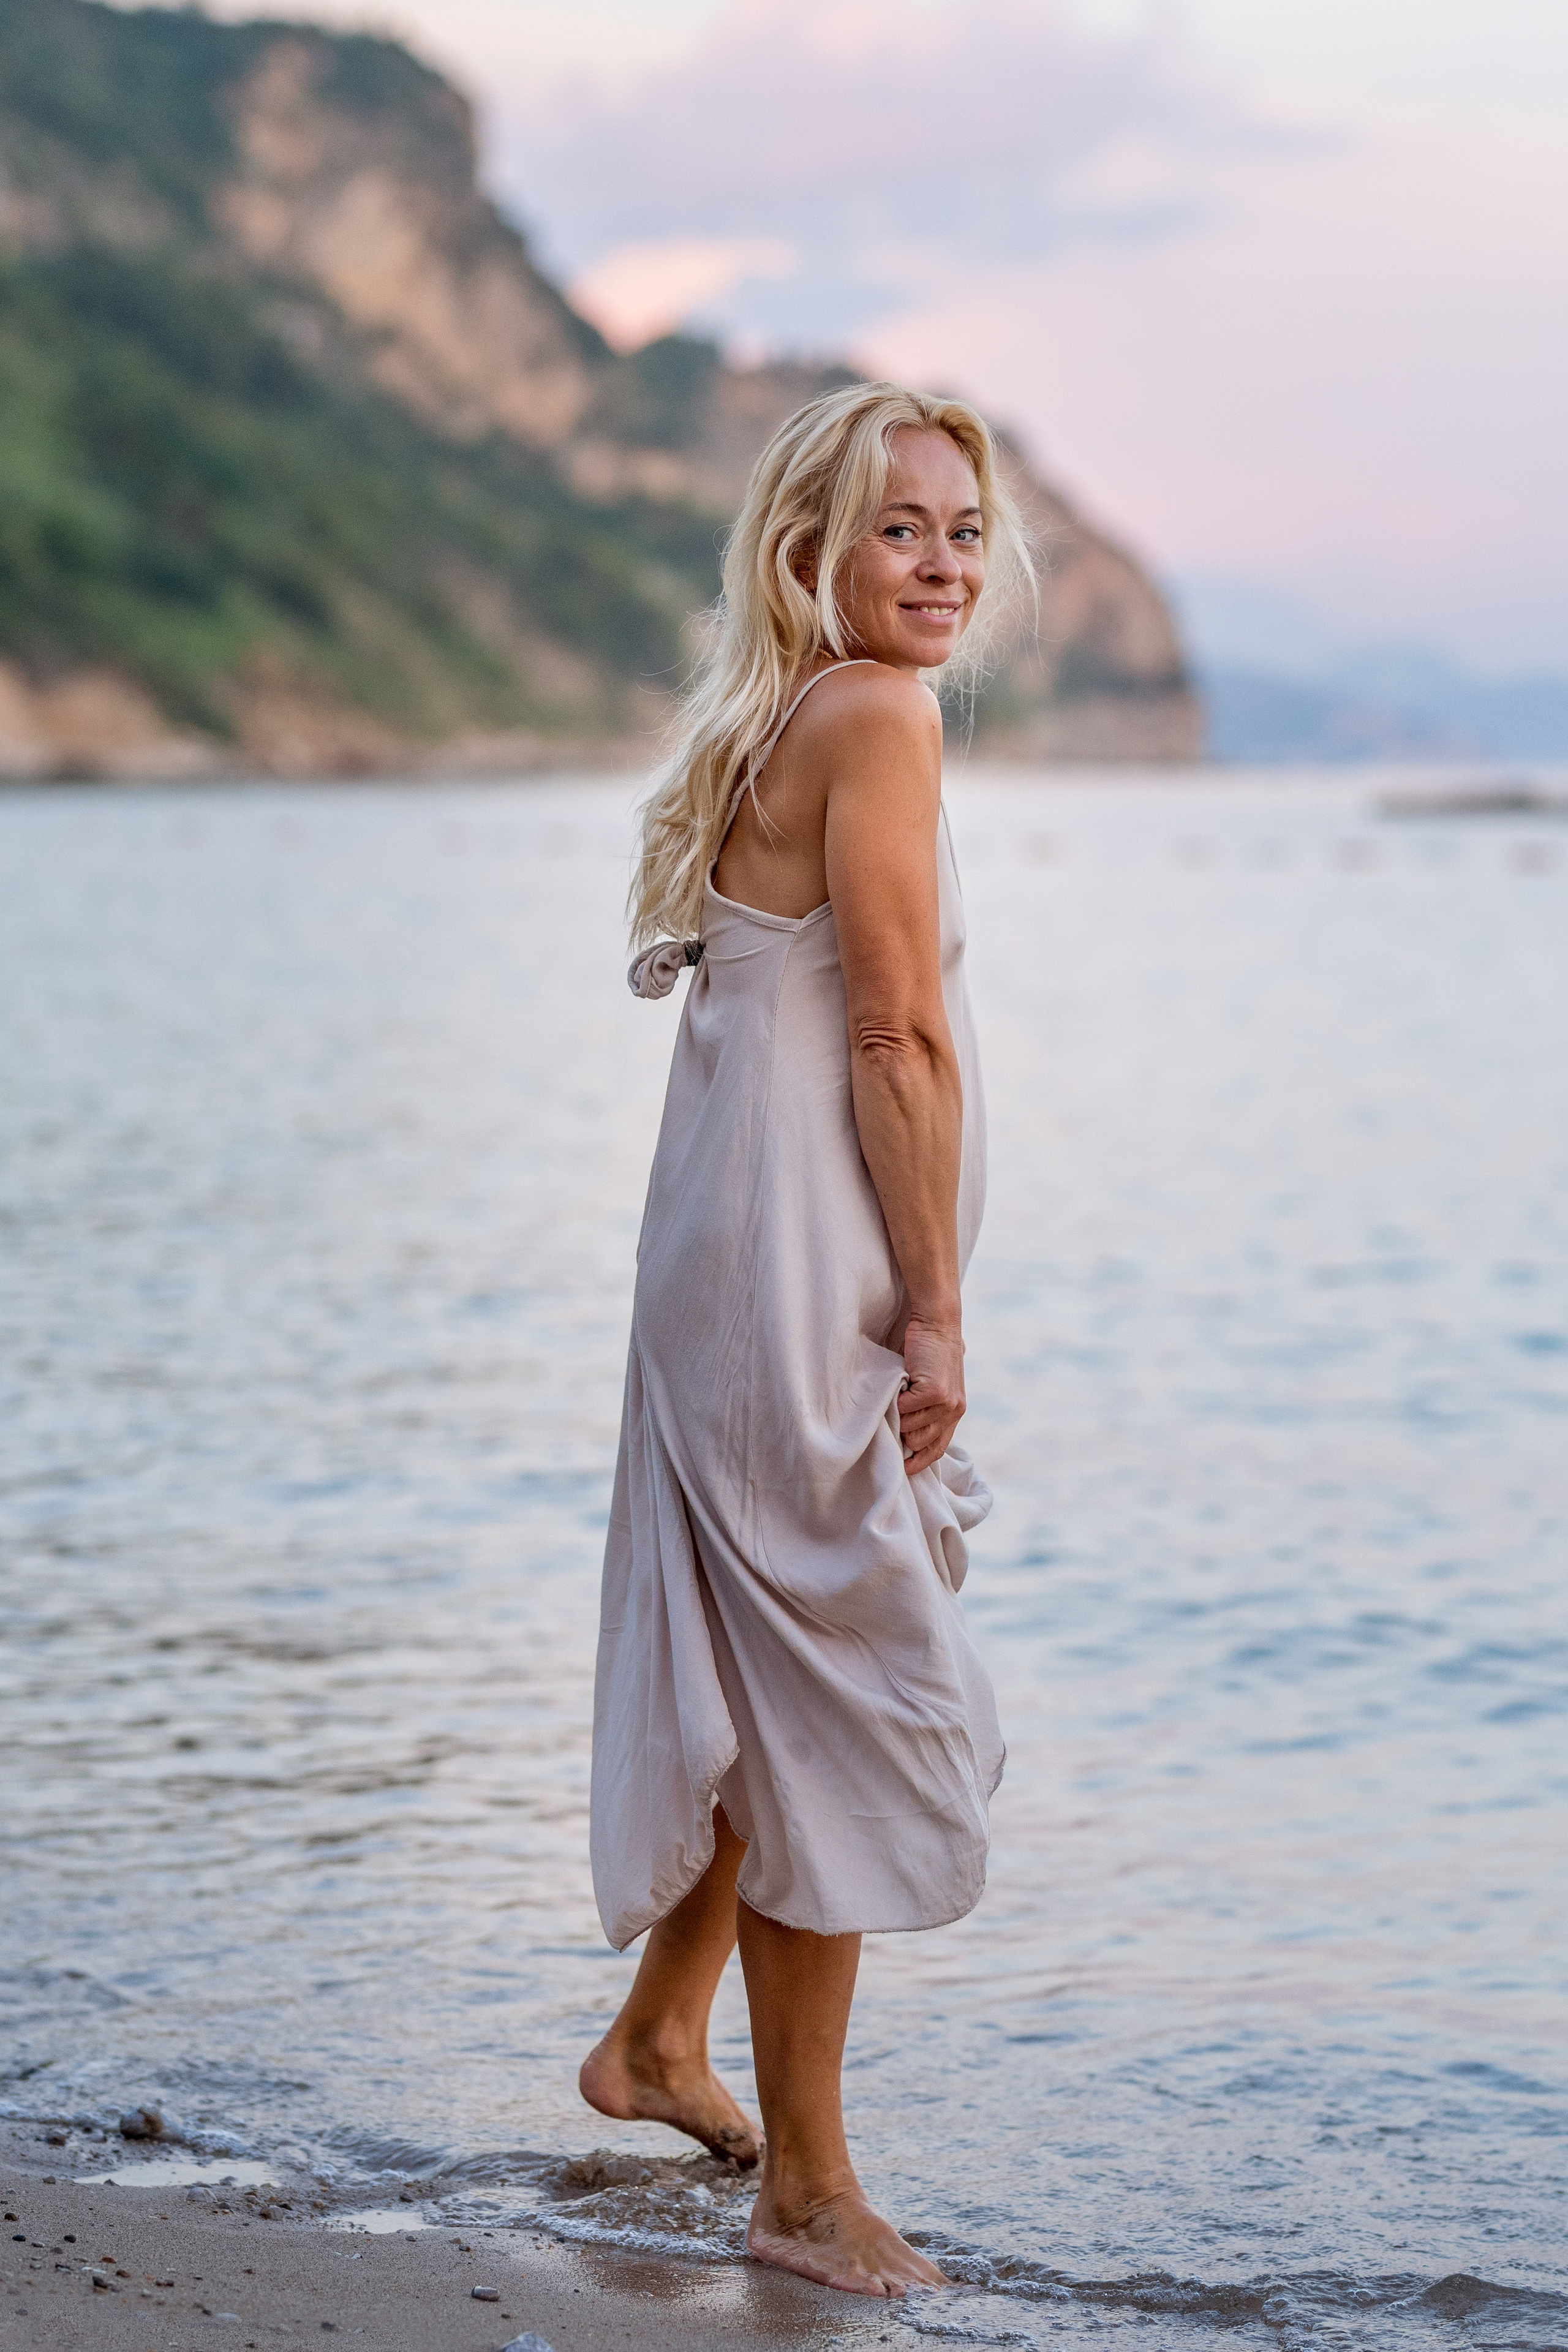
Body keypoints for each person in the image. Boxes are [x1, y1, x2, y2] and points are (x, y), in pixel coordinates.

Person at [580, 381, 1031, 2299]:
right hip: (790, 1267)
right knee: (836, 1689)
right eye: (896, 527)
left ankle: (660, 2046)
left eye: (959, 529)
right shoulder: (878, 714)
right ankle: (807, 2190)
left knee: (768, 1667)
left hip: (725, 1248)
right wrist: (933, 1305)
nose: (938, 565)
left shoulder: (790, 708)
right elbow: (893, 1036)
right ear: (810, 554)